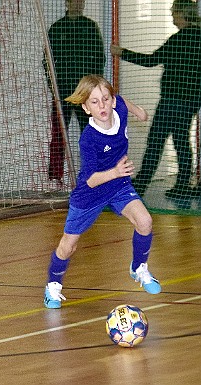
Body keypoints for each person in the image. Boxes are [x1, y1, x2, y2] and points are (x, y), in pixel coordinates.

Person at [43, 75, 161, 309]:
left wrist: (140, 112)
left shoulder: (121, 108)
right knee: (69, 245)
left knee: (145, 221)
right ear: (86, 108)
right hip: (91, 194)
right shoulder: (89, 139)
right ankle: (52, 286)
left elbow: (125, 103)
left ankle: (139, 268)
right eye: (94, 102)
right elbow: (90, 180)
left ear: (113, 100)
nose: (102, 106)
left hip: (119, 187)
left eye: (105, 99)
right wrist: (116, 171)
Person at [111, 0, 201, 199]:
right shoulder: (198, 37)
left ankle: (141, 185)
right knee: (181, 141)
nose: (171, 15)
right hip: (190, 101)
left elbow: (150, 60)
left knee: (156, 142)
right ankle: (183, 184)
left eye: (174, 12)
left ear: (182, 13)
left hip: (172, 100)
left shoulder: (179, 39)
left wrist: (122, 52)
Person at [44, 0, 106, 187]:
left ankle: (93, 175)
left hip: (85, 94)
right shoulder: (56, 28)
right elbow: (47, 60)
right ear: (67, 3)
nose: (78, 5)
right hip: (62, 91)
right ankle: (55, 178)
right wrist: (54, 87)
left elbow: (99, 57)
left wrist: (93, 89)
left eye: (81, 2)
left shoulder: (90, 27)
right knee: (58, 135)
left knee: (90, 134)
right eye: (75, 1)